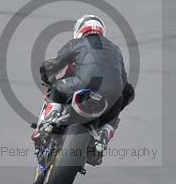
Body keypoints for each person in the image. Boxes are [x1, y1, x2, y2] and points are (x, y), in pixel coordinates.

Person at [32, 15, 135, 166]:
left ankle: (50, 120)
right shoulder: (116, 50)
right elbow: (126, 85)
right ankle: (102, 137)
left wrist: (46, 76)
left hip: (83, 85)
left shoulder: (77, 43)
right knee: (116, 109)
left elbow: (54, 65)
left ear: (79, 30)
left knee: (57, 88)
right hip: (113, 93)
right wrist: (119, 103)